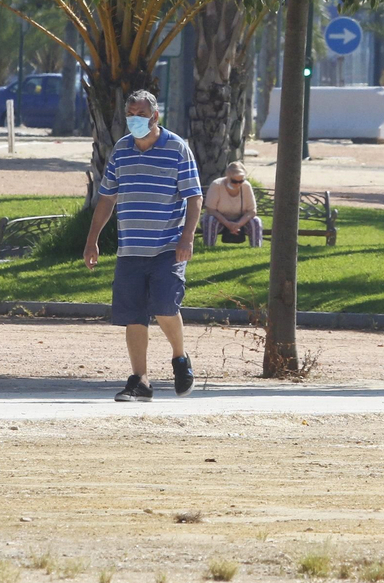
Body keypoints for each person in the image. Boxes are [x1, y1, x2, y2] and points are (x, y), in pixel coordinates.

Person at [83, 89, 203, 402]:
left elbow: (194, 196)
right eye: (131, 113)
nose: (135, 119)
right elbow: (107, 198)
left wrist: (187, 237)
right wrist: (92, 240)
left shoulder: (177, 148)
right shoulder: (121, 150)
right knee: (133, 315)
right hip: (130, 249)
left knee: (165, 305)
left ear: (155, 116)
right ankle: (140, 380)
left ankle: (180, 358)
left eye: (141, 113)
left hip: (167, 245)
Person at [202, 161, 262, 247]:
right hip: (220, 219)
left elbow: (252, 211)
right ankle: (208, 247)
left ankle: (256, 248)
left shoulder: (246, 186)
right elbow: (210, 210)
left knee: (256, 221)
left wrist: (238, 224)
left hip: (240, 220)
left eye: (241, 181)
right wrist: (227, 223)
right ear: (227, 177)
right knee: (210, 219)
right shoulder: (217, 185)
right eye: (234, 181)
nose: (238, 184)